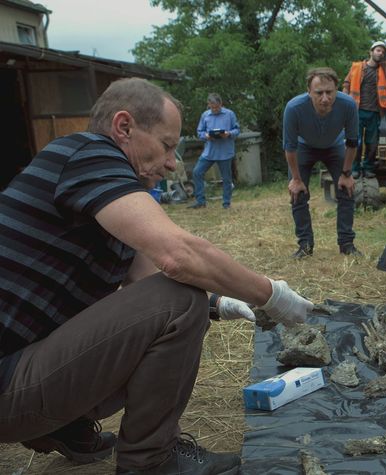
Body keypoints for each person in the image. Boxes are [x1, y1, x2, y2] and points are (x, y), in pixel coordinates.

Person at [0, 78, 313, 474]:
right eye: (166, 145)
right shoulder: (89, 154)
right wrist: (270, 294)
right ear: (124, 127)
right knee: (180, 304)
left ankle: (65, 424)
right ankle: (151, 462)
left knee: (188, 298)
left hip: (17, 371)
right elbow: (178, 257)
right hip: (8, 382)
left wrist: (221, 302)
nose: (171, 162)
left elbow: (144, 275)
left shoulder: (94, 194)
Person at [283, 67, 361, 258]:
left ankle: (347, 244)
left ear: (337, 89)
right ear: (309, 91)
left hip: (335, 146)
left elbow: (352, 142)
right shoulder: (294, 108)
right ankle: (305, 245)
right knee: (298, 193)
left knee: (346, 190)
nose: (325, 98)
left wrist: (346, 174)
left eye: (329, 92)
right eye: (319, 93)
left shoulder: (348, 104)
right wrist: (296, 179)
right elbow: (290, 147)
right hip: (303, 148)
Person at [342, 36, 386, 178]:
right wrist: (345, 98)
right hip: (357, 111)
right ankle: (354, 168)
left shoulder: (384, 68)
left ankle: (368, 167)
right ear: (371, 52)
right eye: (378, 50)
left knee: (372, 143)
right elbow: (346, 83)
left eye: (383, 52)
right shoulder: (357, 67)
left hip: (375, 112)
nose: (381, 54)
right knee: (355, 142)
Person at [188, 93, 240, 209]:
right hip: (209, 152)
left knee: (227, 178)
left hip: (225, 152)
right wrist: (206, 136)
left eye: (217, 107)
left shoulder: (230, 114)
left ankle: (226, 203)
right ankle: (200, 201)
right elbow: (199, 132)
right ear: (209, 105)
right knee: (197, 172)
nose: (215, 109)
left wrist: (229, 134)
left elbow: (237, 130)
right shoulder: (205, 115)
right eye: (212, 107)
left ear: (221, 104)